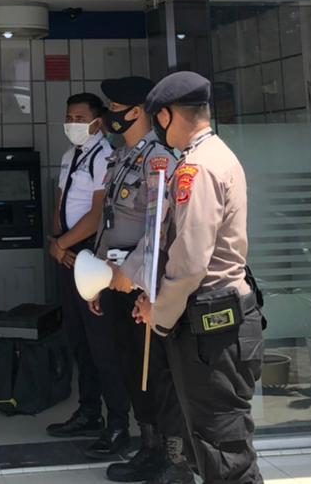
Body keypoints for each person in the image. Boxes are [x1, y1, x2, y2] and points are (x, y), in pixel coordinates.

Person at [116, 71, 263, 484]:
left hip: (212, 323)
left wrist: (159, 313)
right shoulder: (213, 156)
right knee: (212, 445)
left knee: (223, 450)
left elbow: (191, 261)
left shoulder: (197, 167)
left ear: (165, 115)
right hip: (213, 319)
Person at [94, 77, 189, 484]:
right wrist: (100, 276)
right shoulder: (121, 157)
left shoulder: (158, 159)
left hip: (145, 286)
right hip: (116, 282)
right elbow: (108, 223)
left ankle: (174, 459)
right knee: (133, 368)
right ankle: (148, 448)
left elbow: (160, 227)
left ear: (136, 112)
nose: (109, 114)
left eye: (115, 107)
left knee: (158, 373)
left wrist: (128, 273)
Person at [46, 93, 130, 458]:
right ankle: (89, 411)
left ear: (98, 121)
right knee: (78, 339)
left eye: (80, 117)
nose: (73, 123)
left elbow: (98, 215)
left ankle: (118, 423)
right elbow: (61, 202)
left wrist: (63, 243)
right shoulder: (70, 155)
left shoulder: (104, 156)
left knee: (102, 344)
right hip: (66, 253)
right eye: (69, 116)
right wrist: (57, 242)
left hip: (91, 255)